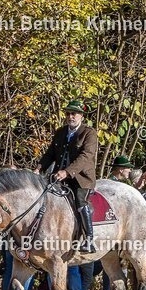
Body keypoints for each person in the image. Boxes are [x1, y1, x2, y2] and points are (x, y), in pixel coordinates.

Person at [36, 98, 99, 253]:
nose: (71, 116)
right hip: (58, 176)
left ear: (81, 116)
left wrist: (68, 172)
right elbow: (50, 154)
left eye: (75, 114)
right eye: (69, 113)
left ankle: (89, 239)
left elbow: (85, 156)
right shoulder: (60, 132)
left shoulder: (89, 134)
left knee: (79, 201)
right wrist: (38, 169)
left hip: (81, 178)